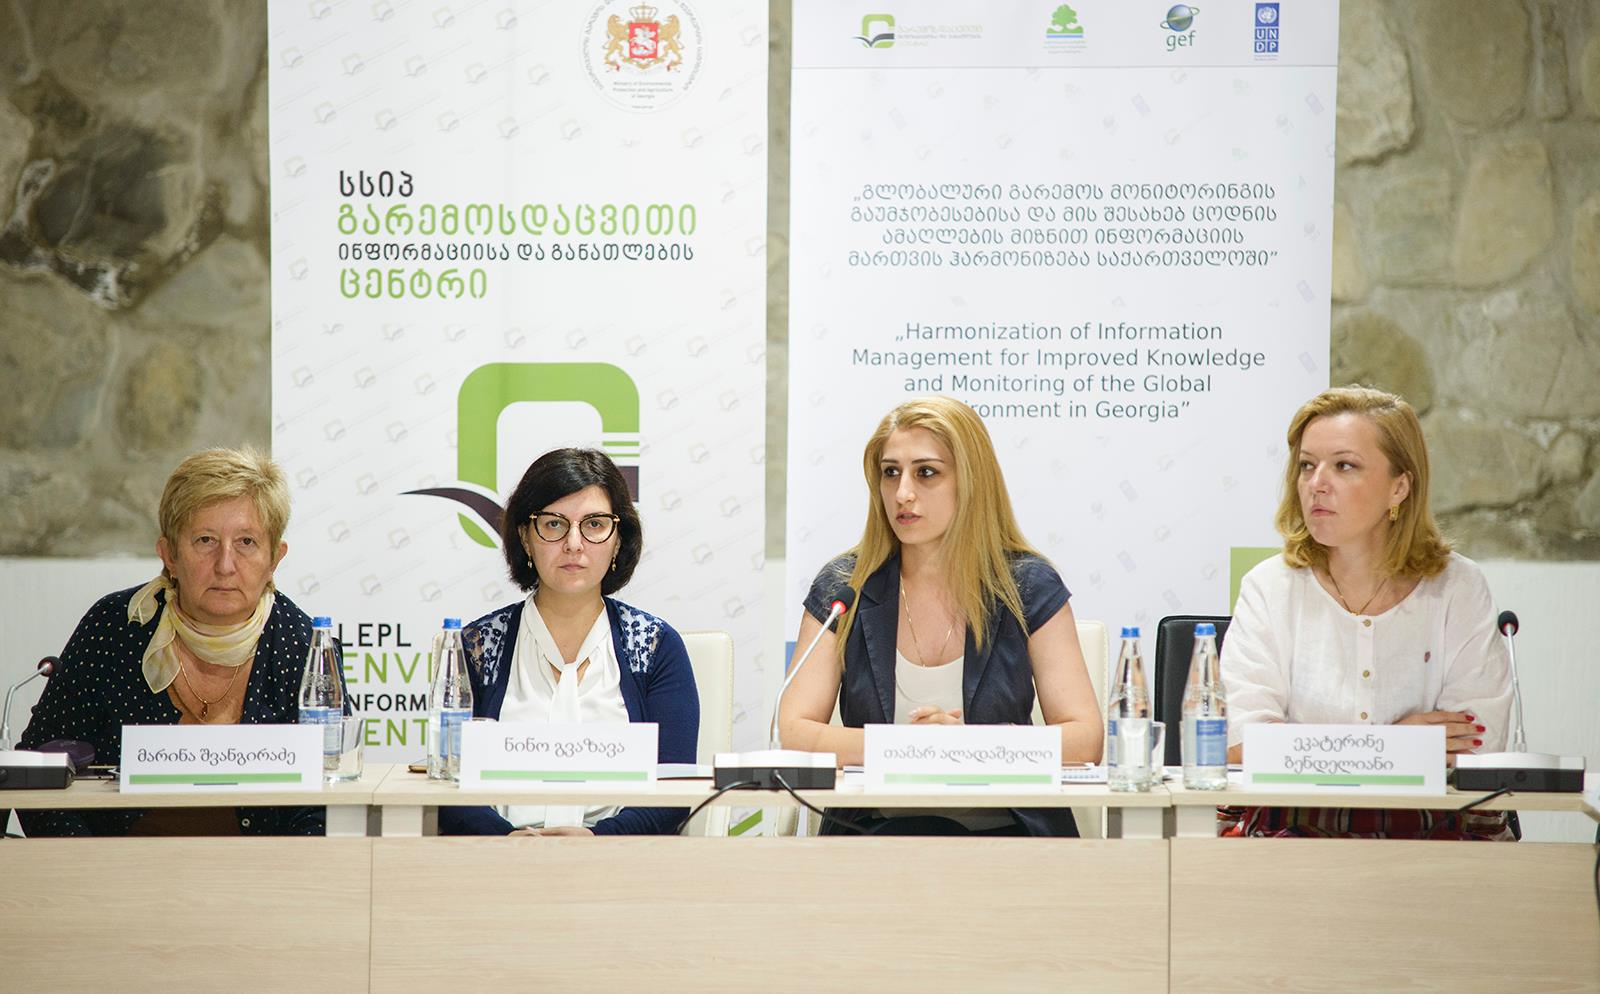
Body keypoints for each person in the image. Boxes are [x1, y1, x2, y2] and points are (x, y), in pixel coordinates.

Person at [778, 397, 1102, 836]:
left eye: (926, 472)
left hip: (1006, 836)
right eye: (890, 473)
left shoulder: (1026, 585)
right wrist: (907, 748)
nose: (902, 493)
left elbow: (1085, 739)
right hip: (875, 837)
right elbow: (794, 730)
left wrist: (966, 747)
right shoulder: (845, 586)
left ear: (971, 481)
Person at [1222, 386, 1514, 839]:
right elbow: (1245, 744)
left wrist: (1308, 749)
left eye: (1344, 466)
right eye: (1307, 465)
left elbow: (1477, 741)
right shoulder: (1269, 586)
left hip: (1430, 832)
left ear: (1399, 486)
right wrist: (1397, 745)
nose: (1316, 483)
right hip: (1293, 830)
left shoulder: (1457, 587)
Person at [18, 447, 332, 836]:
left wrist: (277, 872)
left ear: (274, 559)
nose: (225, 565)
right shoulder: (114, 628)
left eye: (247, 542)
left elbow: (327, 799)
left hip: (259, 869)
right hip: (114, 866)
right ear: (169, 554)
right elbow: (39, 768)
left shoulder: (302, 644)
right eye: (205, 540)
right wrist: (86, 861)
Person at [440, 448, 699, 836]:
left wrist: (598, 840)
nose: (574, 543)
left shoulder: (656, 647)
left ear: (618, 541)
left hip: (618, 858)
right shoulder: (478, 647)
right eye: (553, 524)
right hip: (500, 857)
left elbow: (674, 790)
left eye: (594, 524)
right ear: (525, 537)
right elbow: (447, 784)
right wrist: (506, 840)